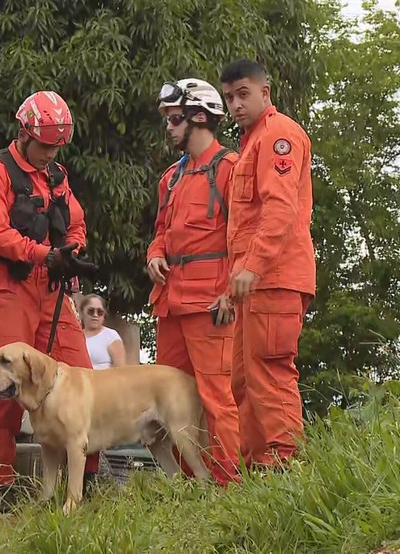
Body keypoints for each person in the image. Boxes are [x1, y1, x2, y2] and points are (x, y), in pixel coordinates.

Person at [0, 90, 99, 512]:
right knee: (3, 386)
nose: (49, 154)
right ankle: (2, 483)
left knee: (82, 378)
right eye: (44, 145)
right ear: (24, 134)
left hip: (51, 289)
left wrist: (71, 253)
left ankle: (86, 479)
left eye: (56, 146)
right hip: (7, 287)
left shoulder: (57, 175)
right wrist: (46, 254)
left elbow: (75, 222)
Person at [213, 59, 316, 470]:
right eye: (228, 98)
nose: (235, 105)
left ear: (264, 93)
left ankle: (286, 469)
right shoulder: (251, 144)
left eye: (242, 94)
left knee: (269, 376)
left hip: (273, 278)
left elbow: (279, 210)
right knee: (244, 382)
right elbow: (243, 228)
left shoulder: (278, 136)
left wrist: (252, 269)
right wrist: (231, 285)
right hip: (254, 284)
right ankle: (260, 471)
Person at [145, 77, 242, 486]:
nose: (168, 127)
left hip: (210, 306)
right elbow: (162, 231)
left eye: (174, 119)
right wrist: (154, 254)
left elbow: (243, 236)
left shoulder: (230, 170)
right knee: (172, 400)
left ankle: (228, 484)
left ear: (199, 117)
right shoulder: (171, 177)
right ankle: (191, 485)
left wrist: (230, 294)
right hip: (170, 305)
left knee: (217, 398)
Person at [78, 294, 126, 369]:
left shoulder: (111, 336)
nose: (95, 315)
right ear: (82, 312)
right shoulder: (75, 336)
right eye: (91, 311)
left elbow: (120, 369)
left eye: (100, 312)